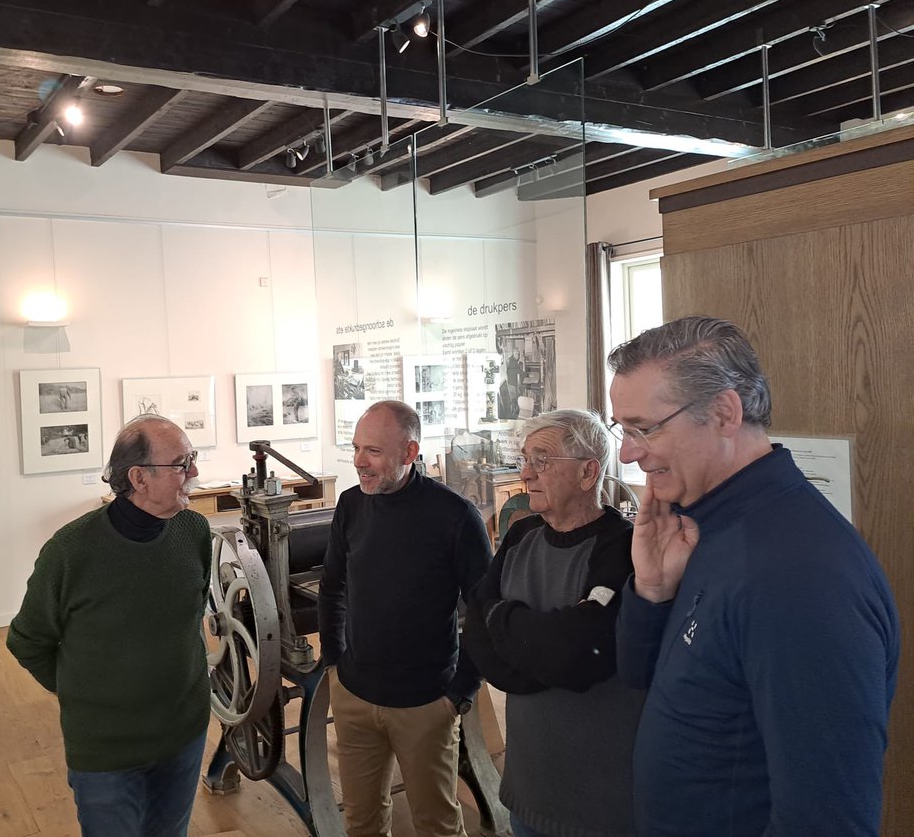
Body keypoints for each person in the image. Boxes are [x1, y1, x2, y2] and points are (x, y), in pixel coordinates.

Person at [607, 316, 899, 836]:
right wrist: (651, 592)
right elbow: (646, 680)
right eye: (621, 430)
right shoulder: (704, 525)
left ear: (723, 413)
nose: (627, 451)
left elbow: (827, 819)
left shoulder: (801, 573)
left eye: (643, 428)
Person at [7, 414, 212, 837]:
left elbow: (191, 619)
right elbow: (28, 640)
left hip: (183, 735)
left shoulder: (194, 530)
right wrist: (86, 695)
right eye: (181, 462)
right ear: (138, 477)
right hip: (107, 751)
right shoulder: (70, 551)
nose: (194, 473)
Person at [463, 409, 642, 837]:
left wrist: (502, 621)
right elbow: (476, 631)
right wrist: (541, 654)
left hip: (600, 802)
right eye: (525, 460)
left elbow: (582, 655)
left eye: (541, 460)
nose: (526, 474)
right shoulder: (520, 536)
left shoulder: (623, 549)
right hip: (528, 789)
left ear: (587, 473)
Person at [318, 400, 493, 837]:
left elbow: (487, 611)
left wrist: (459, 692)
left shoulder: (454, 517)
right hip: (354, 695)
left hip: (425, 703)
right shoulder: (351, 505)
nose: (360, 461)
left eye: (373, 451)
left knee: (436, 824)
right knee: (362, 822)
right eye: (356, 448)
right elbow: (332, 584)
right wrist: (334, 661)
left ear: (410, 452)